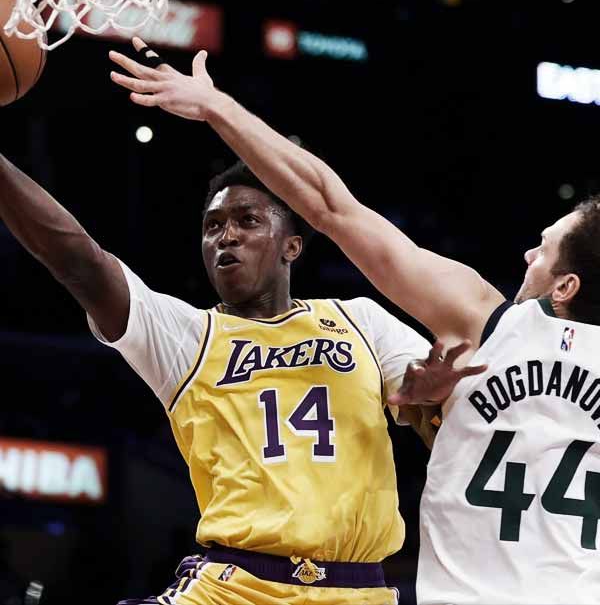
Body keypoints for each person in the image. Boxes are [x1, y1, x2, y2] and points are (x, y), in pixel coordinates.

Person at [110, 38, 600, 604]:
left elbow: (330, 206)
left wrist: (217, 107)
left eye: (542, 250)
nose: (527, 255)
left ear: (565, 286)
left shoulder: (487, 320)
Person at [0, 141, 480, 604]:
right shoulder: (187, 336)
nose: (225, 236)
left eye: (247, 220)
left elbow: (433, 420)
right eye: (212, 226)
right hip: (235, 586)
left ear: (292, 246)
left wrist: (428, 399)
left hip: (358, 589)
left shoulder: (360, 320)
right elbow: (80, 262)